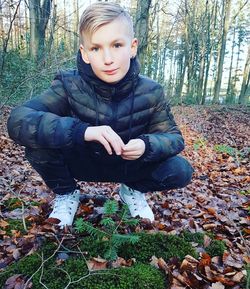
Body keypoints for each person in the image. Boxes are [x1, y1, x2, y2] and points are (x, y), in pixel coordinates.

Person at [7, 2, 193, 228]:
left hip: (128, 165)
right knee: (37, 143)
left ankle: (132, 191)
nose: (108, 58)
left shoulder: (151, 91)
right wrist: (81, 131)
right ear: (85, 53)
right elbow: (18, 120)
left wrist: (146, 145)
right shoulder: (68, 84)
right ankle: (66, 194)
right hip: (82, 162)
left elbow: (174, 138)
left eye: (116, 45)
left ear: (132, 47)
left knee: (180, 170)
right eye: (96, 48)